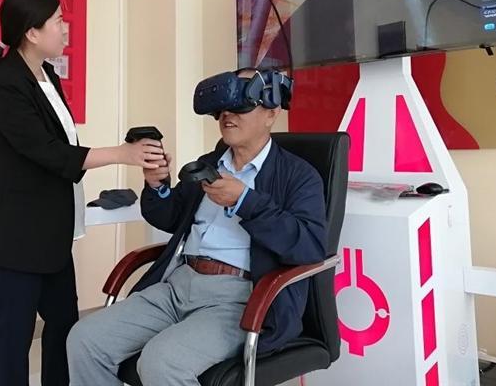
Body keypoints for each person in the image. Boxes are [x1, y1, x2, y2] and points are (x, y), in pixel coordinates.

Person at [67, 69, 327, 386]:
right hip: (177, 284)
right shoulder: (210, 164)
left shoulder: (298, 176)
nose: (227, 114)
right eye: (223, 107)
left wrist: (245, 201)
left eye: (241, 104)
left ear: (271, 113)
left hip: (238, 299)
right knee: (85, 339)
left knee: (161, 362)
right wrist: (157, 185)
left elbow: (310, 246)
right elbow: (170, 217)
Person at [0, 0, 165, 386]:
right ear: (32, 32)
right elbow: (49, 153)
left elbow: (63, 147)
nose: (65, 29)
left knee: (63, 326)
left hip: (52, 233)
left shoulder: (47, 75)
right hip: (16, 237)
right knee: (15, 338)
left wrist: (123, 152)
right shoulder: (5, 84)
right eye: (58, 21)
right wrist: (122, 154)